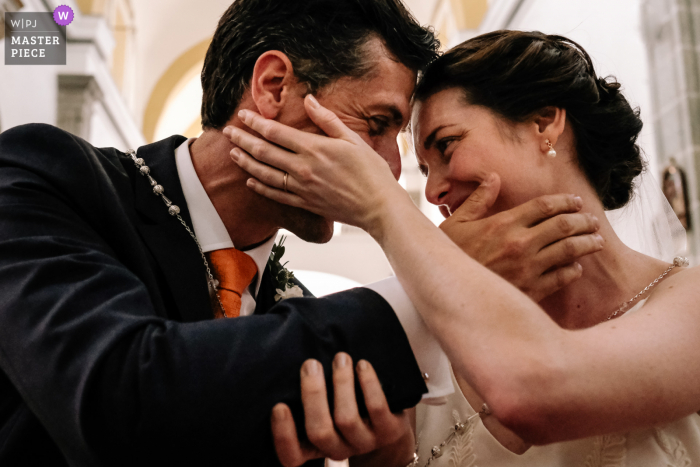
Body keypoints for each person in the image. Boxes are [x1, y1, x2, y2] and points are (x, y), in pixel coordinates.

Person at [0, 3, 604, 465]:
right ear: (273, 86)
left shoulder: (306, 319)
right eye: (376, 123)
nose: (392, 171)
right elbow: (116, 404)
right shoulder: (49, 175)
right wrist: (430, 289)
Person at [226, 30, 700, 466]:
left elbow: (537, 393)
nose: (432, 193)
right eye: (424, 169)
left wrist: (384, 208)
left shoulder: (690, 302)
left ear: (544, 123)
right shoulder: (429, 347)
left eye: (447, 146)